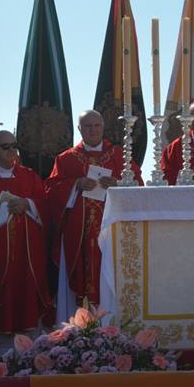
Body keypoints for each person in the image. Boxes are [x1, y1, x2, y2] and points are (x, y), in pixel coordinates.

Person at [46, 110, 142, 321]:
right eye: (87, 126)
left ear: (103, 127)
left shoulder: (119, 155)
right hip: (78, 235)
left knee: (111, 274)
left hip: (112, 231)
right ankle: (79, 326)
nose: (93, 130)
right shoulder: (66, 159)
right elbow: (51, 192)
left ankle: (112, 322)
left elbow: (138, 186)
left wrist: (118, 184)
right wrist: (76, 184)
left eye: (97, 125)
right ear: (79, 129)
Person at [0, 131, 54, 356]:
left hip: (28, 259)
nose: (12, 150)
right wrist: (4, 209)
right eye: (5, 147)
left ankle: (34, 354)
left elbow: (46, 206)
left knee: (29, 305)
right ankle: (2, 356)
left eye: (14, 145)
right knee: (1, 307)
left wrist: (28, 204)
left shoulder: (30, 176)